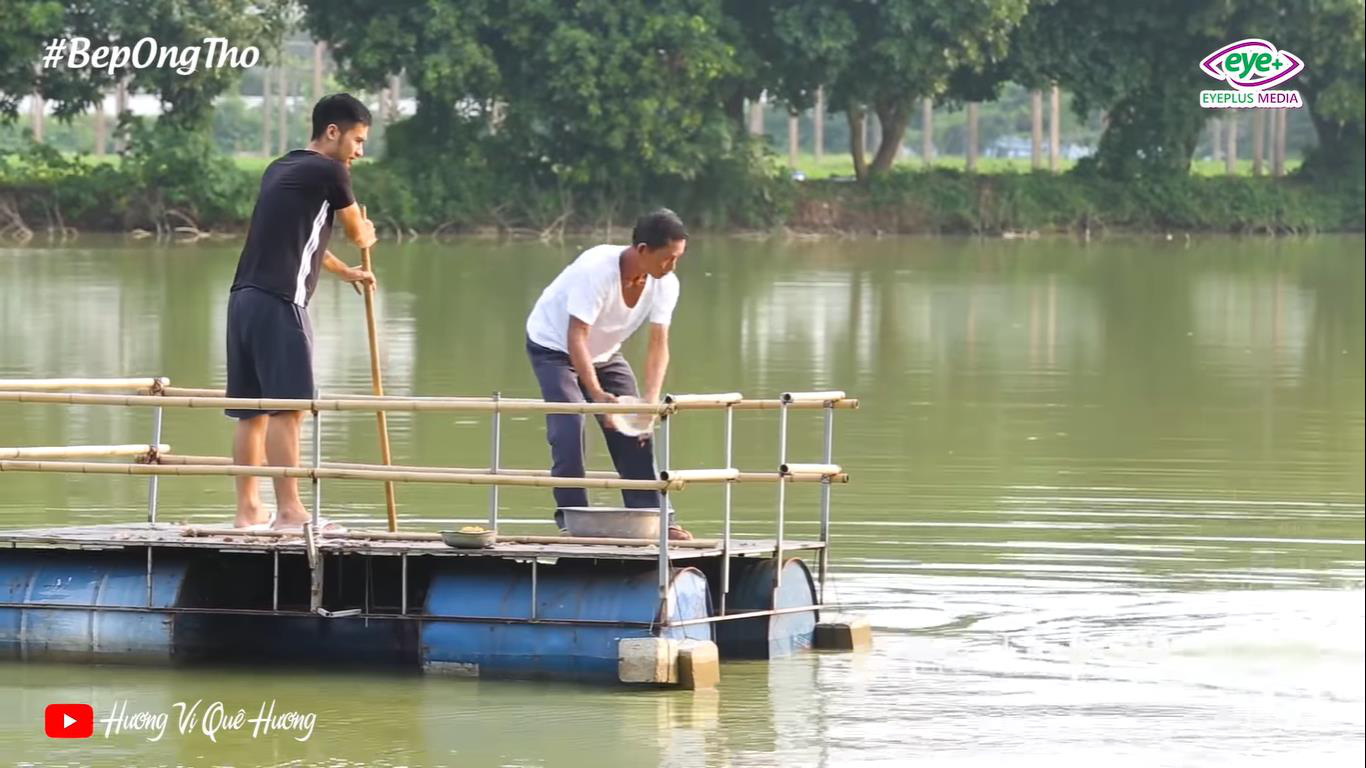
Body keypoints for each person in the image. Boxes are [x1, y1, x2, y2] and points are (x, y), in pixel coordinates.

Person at [225, 93, 378, 531]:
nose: (359, 152)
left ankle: (248, 510)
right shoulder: (331, 169)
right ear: (333, 132)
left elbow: (303, 241)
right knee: (287, 409)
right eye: (358, 140)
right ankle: (290, 513)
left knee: (251, 411)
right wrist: (365, 238)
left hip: (243, 300)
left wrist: (345, 272)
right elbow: (354, 231)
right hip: (279, 303)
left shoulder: (281, 167)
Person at [525, 209, 692, 540]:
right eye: (667, 259)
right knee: (569, 427)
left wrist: (649, 401)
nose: (672, 267)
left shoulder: (665, 284)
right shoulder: (597, 269)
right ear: (642, 250)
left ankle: (656, 520)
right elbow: (576, 336)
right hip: (554, 347)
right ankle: (574, 522)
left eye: (677, 259)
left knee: (635, 431)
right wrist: (598, 397)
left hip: (604, 354)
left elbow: (659, 344)